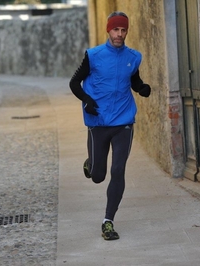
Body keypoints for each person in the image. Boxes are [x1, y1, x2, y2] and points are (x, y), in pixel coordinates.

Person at [69, 11, 151, 241]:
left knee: (118, 170)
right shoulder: (93, 55)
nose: (120, 34)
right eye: (116, 29)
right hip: (99, 121)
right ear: (109, 30)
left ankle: (108, 221)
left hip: (124, 120)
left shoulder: (133, 57)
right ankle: (91, 163)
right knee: (97, 175)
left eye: (123, 30)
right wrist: (87, 101)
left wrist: (141, 88)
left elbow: (133, 79)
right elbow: (74, 83)